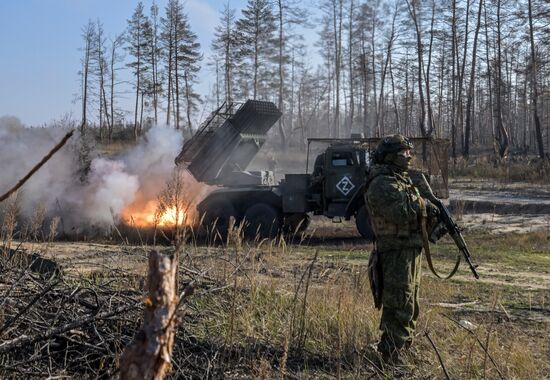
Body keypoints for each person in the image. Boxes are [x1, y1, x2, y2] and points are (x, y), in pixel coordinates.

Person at [364, 134, 438, 363]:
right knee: (399, 303)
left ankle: (403, 348)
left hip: (410, 248)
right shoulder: (381, 183)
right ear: (390, 157)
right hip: (394, 251)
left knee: (411, 304)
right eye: (403, 153)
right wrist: (424, 204)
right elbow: (400, 212)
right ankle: (390, 356)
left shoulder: (401, 179)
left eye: (409, 152)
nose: (408, 156)